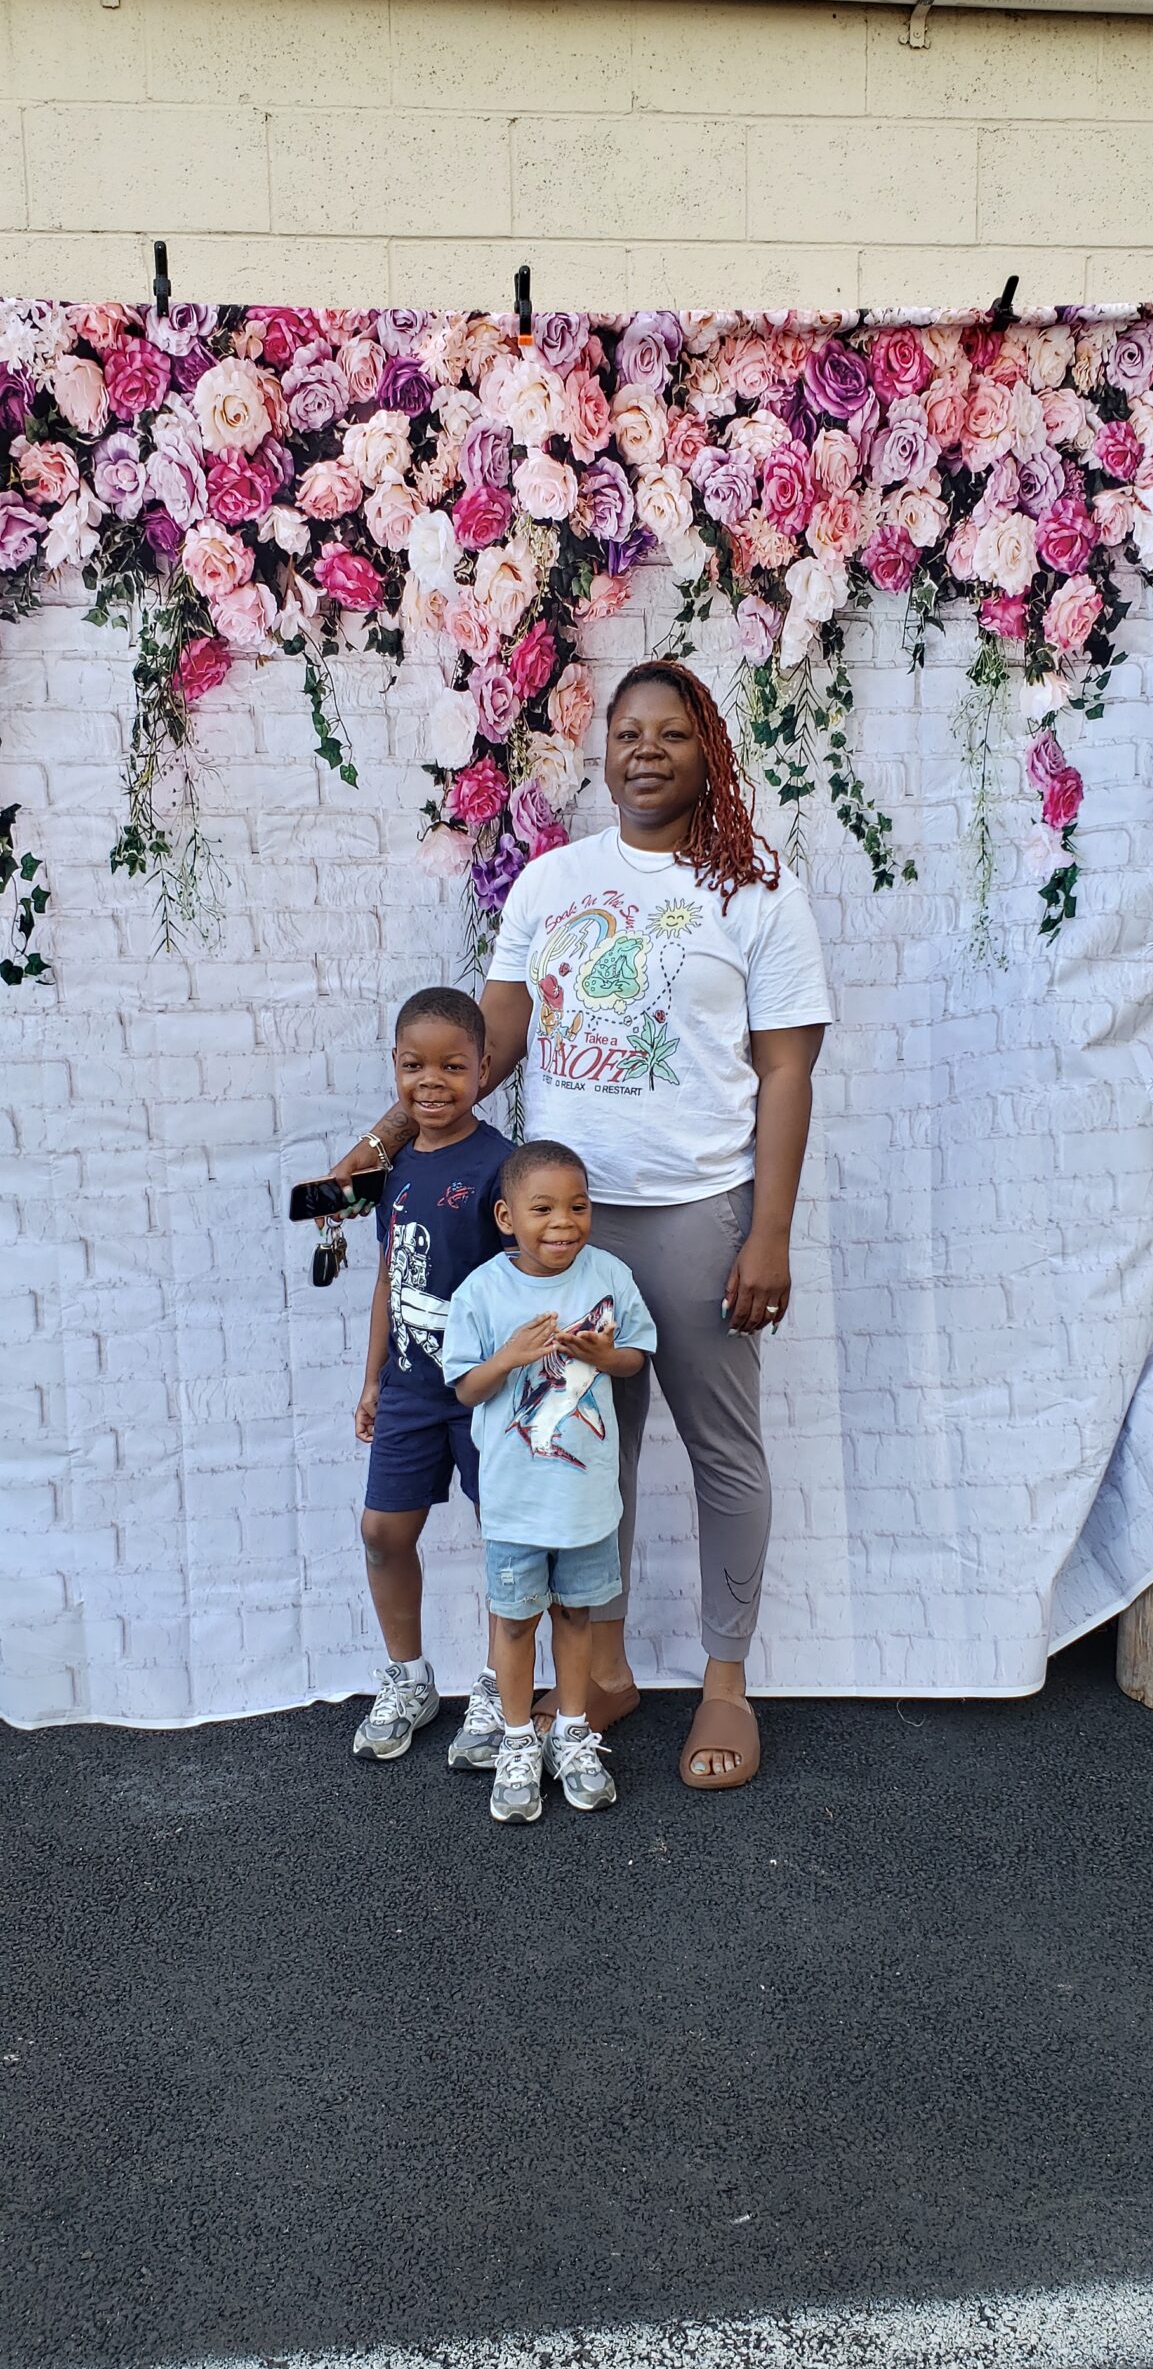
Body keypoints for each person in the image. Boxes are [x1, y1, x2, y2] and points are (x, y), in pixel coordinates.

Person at [330, 660, 829, 1788]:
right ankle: (599, 1670)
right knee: (582, 1451)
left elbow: (786, 1071)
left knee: (721, 1451)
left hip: (698, 1215)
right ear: (604, 751)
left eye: (671, 733)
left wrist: (769, 1233)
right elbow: (489, 1046)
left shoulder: (759, 893)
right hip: (556, 1237)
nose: (646, 752)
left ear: (709, 753)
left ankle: (724, 1682)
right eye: (628, 733)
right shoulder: (552, 881)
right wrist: (385, 1141)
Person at [443, 1139, 656, 1825]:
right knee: (514, 1623)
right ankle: (515, 1740)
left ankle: (570, 1732)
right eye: (543, 1209)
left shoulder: (609, 1275)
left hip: (586, 1502)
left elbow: (634, 1358)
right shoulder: (482, 1292)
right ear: (506, 1218)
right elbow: (467, 1389)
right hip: (515, 1504)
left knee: (576, 1615)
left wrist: (605, 1355)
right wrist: (509, 1357)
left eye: (578, 1206)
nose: (564, 1221)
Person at [351, 986, 512, 1770]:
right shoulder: (396, 1168)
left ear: (485, 1068)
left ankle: (501, 1689)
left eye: (452, 1066)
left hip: (486, 1393)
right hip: (411, 1391)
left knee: (505, 1541)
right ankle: (409, 1679)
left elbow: (522, 1281)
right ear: (395, 1067)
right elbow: (389, 1275)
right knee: (383, 1532)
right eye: (415, 1065)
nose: (432, 1082)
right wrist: (373, 1378)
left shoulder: (502, 1166)